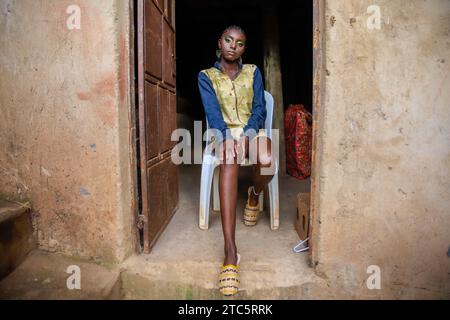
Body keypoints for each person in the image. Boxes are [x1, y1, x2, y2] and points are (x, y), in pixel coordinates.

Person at [198, 25, 275, 296]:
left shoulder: (253, 72)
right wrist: (226, 138)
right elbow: (212, 111)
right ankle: (230, 251)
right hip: (223, 131)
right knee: (229, 158)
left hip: (252, 130)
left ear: (244, 48)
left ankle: (254, 194)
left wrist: (249, 134)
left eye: (240, 43)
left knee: (267, 159)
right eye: (229, 40)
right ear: (220, 42)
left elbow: (260, 108)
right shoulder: (206, 76)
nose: (233, 46)